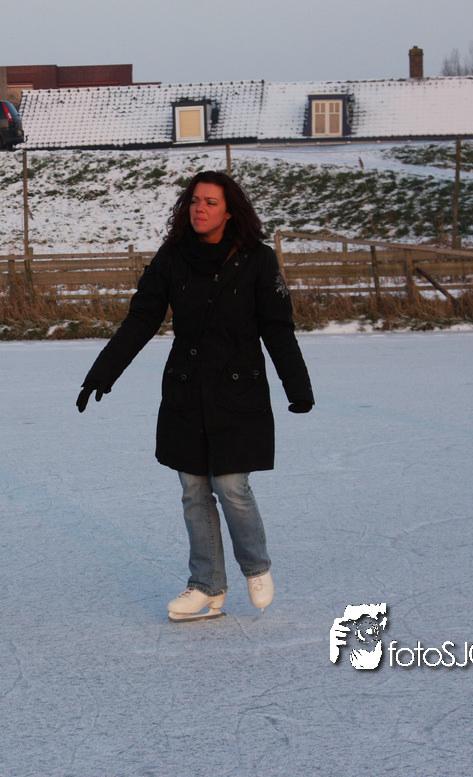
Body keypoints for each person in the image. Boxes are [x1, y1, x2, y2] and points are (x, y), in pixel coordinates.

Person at [76, 171, 314, 623]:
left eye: (210, 202)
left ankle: (256, 566)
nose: (199, 209)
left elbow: (278, 328)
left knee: (231, 486)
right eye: (194, 201)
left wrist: (297, 387)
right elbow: (141, 319)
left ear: (230, 212)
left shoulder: (257, 259)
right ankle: (207, 586)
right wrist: (103, 373)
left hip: (238, 390)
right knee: (194, 490)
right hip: (186, 390)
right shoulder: (172, 256)